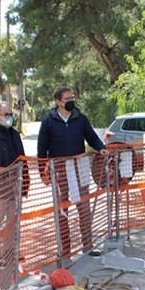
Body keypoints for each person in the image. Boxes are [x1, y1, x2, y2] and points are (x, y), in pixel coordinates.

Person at [37, 85, 106, 254]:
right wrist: (43, 172)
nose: (71, 101)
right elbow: (41, 149)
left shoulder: (80, 118)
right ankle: (65, 250)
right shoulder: (48, 122)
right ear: (58, 102)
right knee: (62, 211)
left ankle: (87, 246)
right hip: (59, 170)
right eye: (67, 99)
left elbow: (91, 137)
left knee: (84, 209)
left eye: (72, 98)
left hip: (80, 167)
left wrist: (101, 147)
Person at [0, 101, 29, 196]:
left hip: (15, 187)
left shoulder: (15, 135)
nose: (10, 117)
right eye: (6, 114)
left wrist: (25, 185)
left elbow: (23, 160)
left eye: (11, 114)